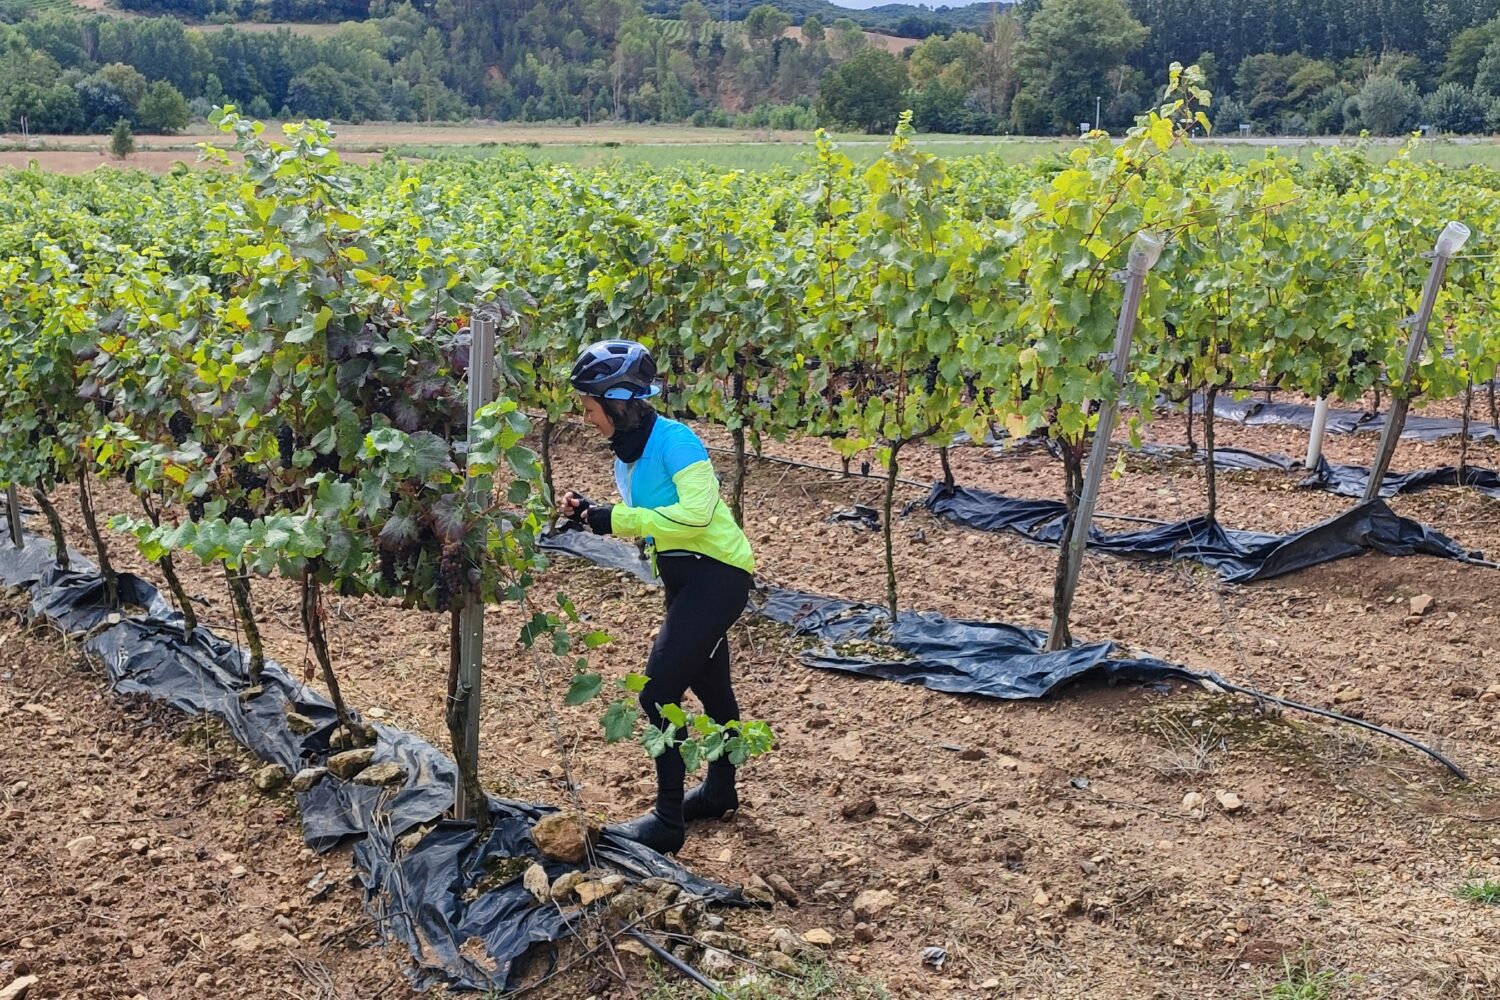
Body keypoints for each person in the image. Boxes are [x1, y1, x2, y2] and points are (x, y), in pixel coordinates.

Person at [559, 340, 756, 854]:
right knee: (713, 689)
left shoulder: (677, 441)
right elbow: (649, 517)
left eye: (590, 408)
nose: (587, 418)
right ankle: (720, 791)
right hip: (685, 578)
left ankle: (668, 820)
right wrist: (592, 512)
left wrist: (618, 518)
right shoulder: (628, 455)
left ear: (617, 403)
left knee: (656, 693)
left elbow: (696, 514)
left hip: (717, 575)